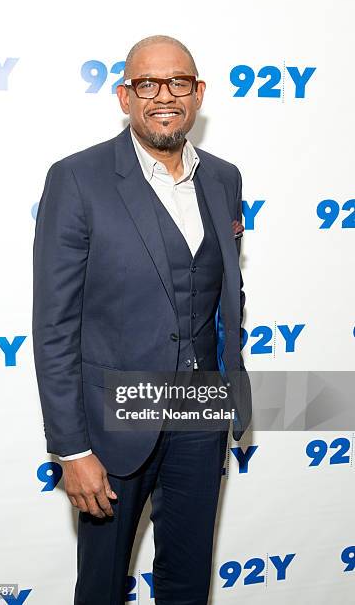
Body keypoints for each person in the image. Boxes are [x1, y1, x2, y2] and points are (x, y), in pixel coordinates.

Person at [32, 34, 251, 605]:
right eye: (146, 83)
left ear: (197, 93)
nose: (163, 96)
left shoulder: (224, 178)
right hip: (114, 420)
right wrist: (72, 448)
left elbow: (226, 290)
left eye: (178, 82)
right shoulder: (78, 178)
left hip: (201, 413)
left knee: (187, 580)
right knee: (102, 586)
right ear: (124, 95)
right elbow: (55, 324)